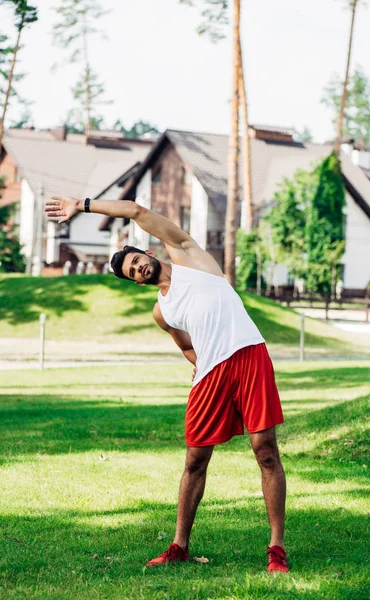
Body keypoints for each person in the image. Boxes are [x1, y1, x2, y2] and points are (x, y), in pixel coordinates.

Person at [45, 195, 289, 573]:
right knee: (194, 459)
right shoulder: (163, 311)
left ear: (146, 251)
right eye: (132, 271)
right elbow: (187, 346)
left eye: (137, 259)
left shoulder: (189, 255)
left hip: (249, 355)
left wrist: (85, 204)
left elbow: (137, 211)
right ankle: (179, 546)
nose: (140, 267)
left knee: (266, 451)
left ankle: (276, 549)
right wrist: (200, 362)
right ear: (134, 281)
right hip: (212, 374)